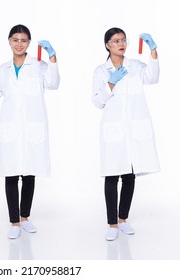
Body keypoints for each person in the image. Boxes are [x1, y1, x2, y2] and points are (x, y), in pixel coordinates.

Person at [0, 24, 60, 239]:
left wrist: (53, 59)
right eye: (15, 40)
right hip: (11, 129)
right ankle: (14, 221)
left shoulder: (39, 67)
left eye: (23, 40)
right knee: (12, 175)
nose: (19, 44)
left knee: (29, 173)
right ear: (9, 42)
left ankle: (25, 217)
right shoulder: (2, 71)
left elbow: (54, 83)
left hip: (33, 127)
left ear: (29, 43)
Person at [92, 27, 160, 241]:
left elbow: (153, 77)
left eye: (123, 40)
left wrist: (154, 51)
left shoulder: (136, 67)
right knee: (112, 175)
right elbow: (97, 101)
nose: (121, 43)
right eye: (116, 40)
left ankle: (123, 219)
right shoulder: (101, 71)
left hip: (133, 130)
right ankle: (112, 224)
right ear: (107, 45)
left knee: (129, 174)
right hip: (113, 129)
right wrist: (111, 82)